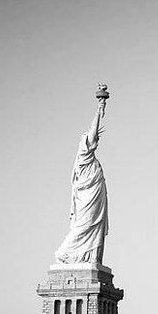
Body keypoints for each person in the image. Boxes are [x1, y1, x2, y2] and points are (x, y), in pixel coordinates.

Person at [55, 96, 109, 264]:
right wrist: (99, 110)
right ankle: (66, 252)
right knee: (84, 225)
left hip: (95, 196)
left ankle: (91, 256)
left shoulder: (89, 161)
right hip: (87, 198)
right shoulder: (84, 156)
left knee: (93, 226)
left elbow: (93, 136)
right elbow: (93, 133)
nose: (95, 141)